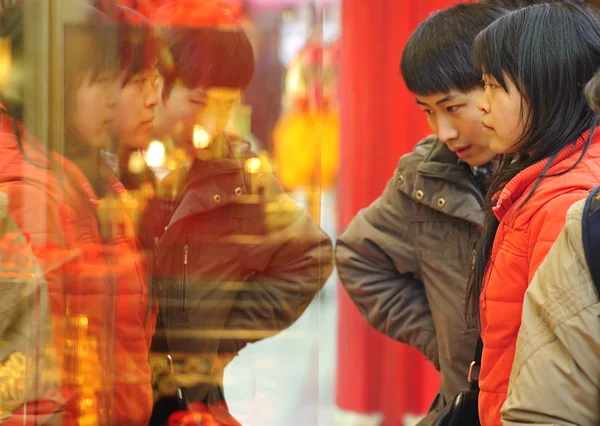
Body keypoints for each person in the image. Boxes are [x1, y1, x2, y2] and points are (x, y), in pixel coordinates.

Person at [144, 1, 334, 424]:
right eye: (197, 101)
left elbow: (311, 256)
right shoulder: (115, 171)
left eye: (226, 106)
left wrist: (220, 335)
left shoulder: (236, 174)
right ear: (152, 85)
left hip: (192, 402)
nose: (210, 123)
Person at [334, 3, 505, 424]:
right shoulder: (424, 177)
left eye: (452, 108)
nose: (443, 132)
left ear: (499, 87)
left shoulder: (562, 172)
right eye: (428, 111)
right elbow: (358, 258)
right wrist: (446, 343)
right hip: (465, 406)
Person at [0, 4, 156, 424]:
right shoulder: (27, 193)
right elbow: (28, 381)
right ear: (53, 84)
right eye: (100, 81)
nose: (113, 97)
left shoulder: (90, 178)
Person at [467, 3, 600, 425]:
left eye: (494, 87)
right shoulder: (541, 177)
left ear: (549, 88)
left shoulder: (564, 199)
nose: (481, 106)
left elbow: (557, 368)